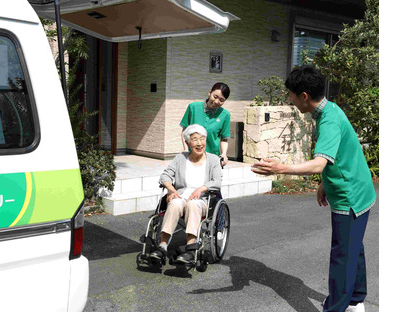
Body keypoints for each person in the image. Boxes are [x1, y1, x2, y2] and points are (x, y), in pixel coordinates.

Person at [251, 65, 376, 312]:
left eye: (291, 95)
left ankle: (337, 308)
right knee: (353, 249)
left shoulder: (328, 120)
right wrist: (323, 183)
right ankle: (355, 300)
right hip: (359, 191)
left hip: (349, 197)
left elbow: (320, 163)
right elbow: (337, 156)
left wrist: (281, 168)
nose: (290, 100)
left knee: (342, 257)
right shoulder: (330, 110)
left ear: (304, 96)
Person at [150, 124, 223, 264]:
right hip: (181, 195)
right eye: (195, 139)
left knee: (193, 205)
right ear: (188, 143)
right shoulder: (180, 158)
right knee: (174, 203)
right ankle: (162, 247)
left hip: (202, 199)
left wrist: (201, 188)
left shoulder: (213, 159)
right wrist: (171, 190)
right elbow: (165, 176)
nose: (200, 143)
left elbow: (217, 181)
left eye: (202, 139)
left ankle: (190, 248)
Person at [180, 82, 231, 166]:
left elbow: (224, 139)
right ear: (209, 92)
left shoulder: (225, 115)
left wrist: (224, 154)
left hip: (212, 159)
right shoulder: (193, 107)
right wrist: (185, 149)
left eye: (221, 100)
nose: (217, 101)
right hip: (192, 157)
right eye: (215, 97)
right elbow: (185, 131)